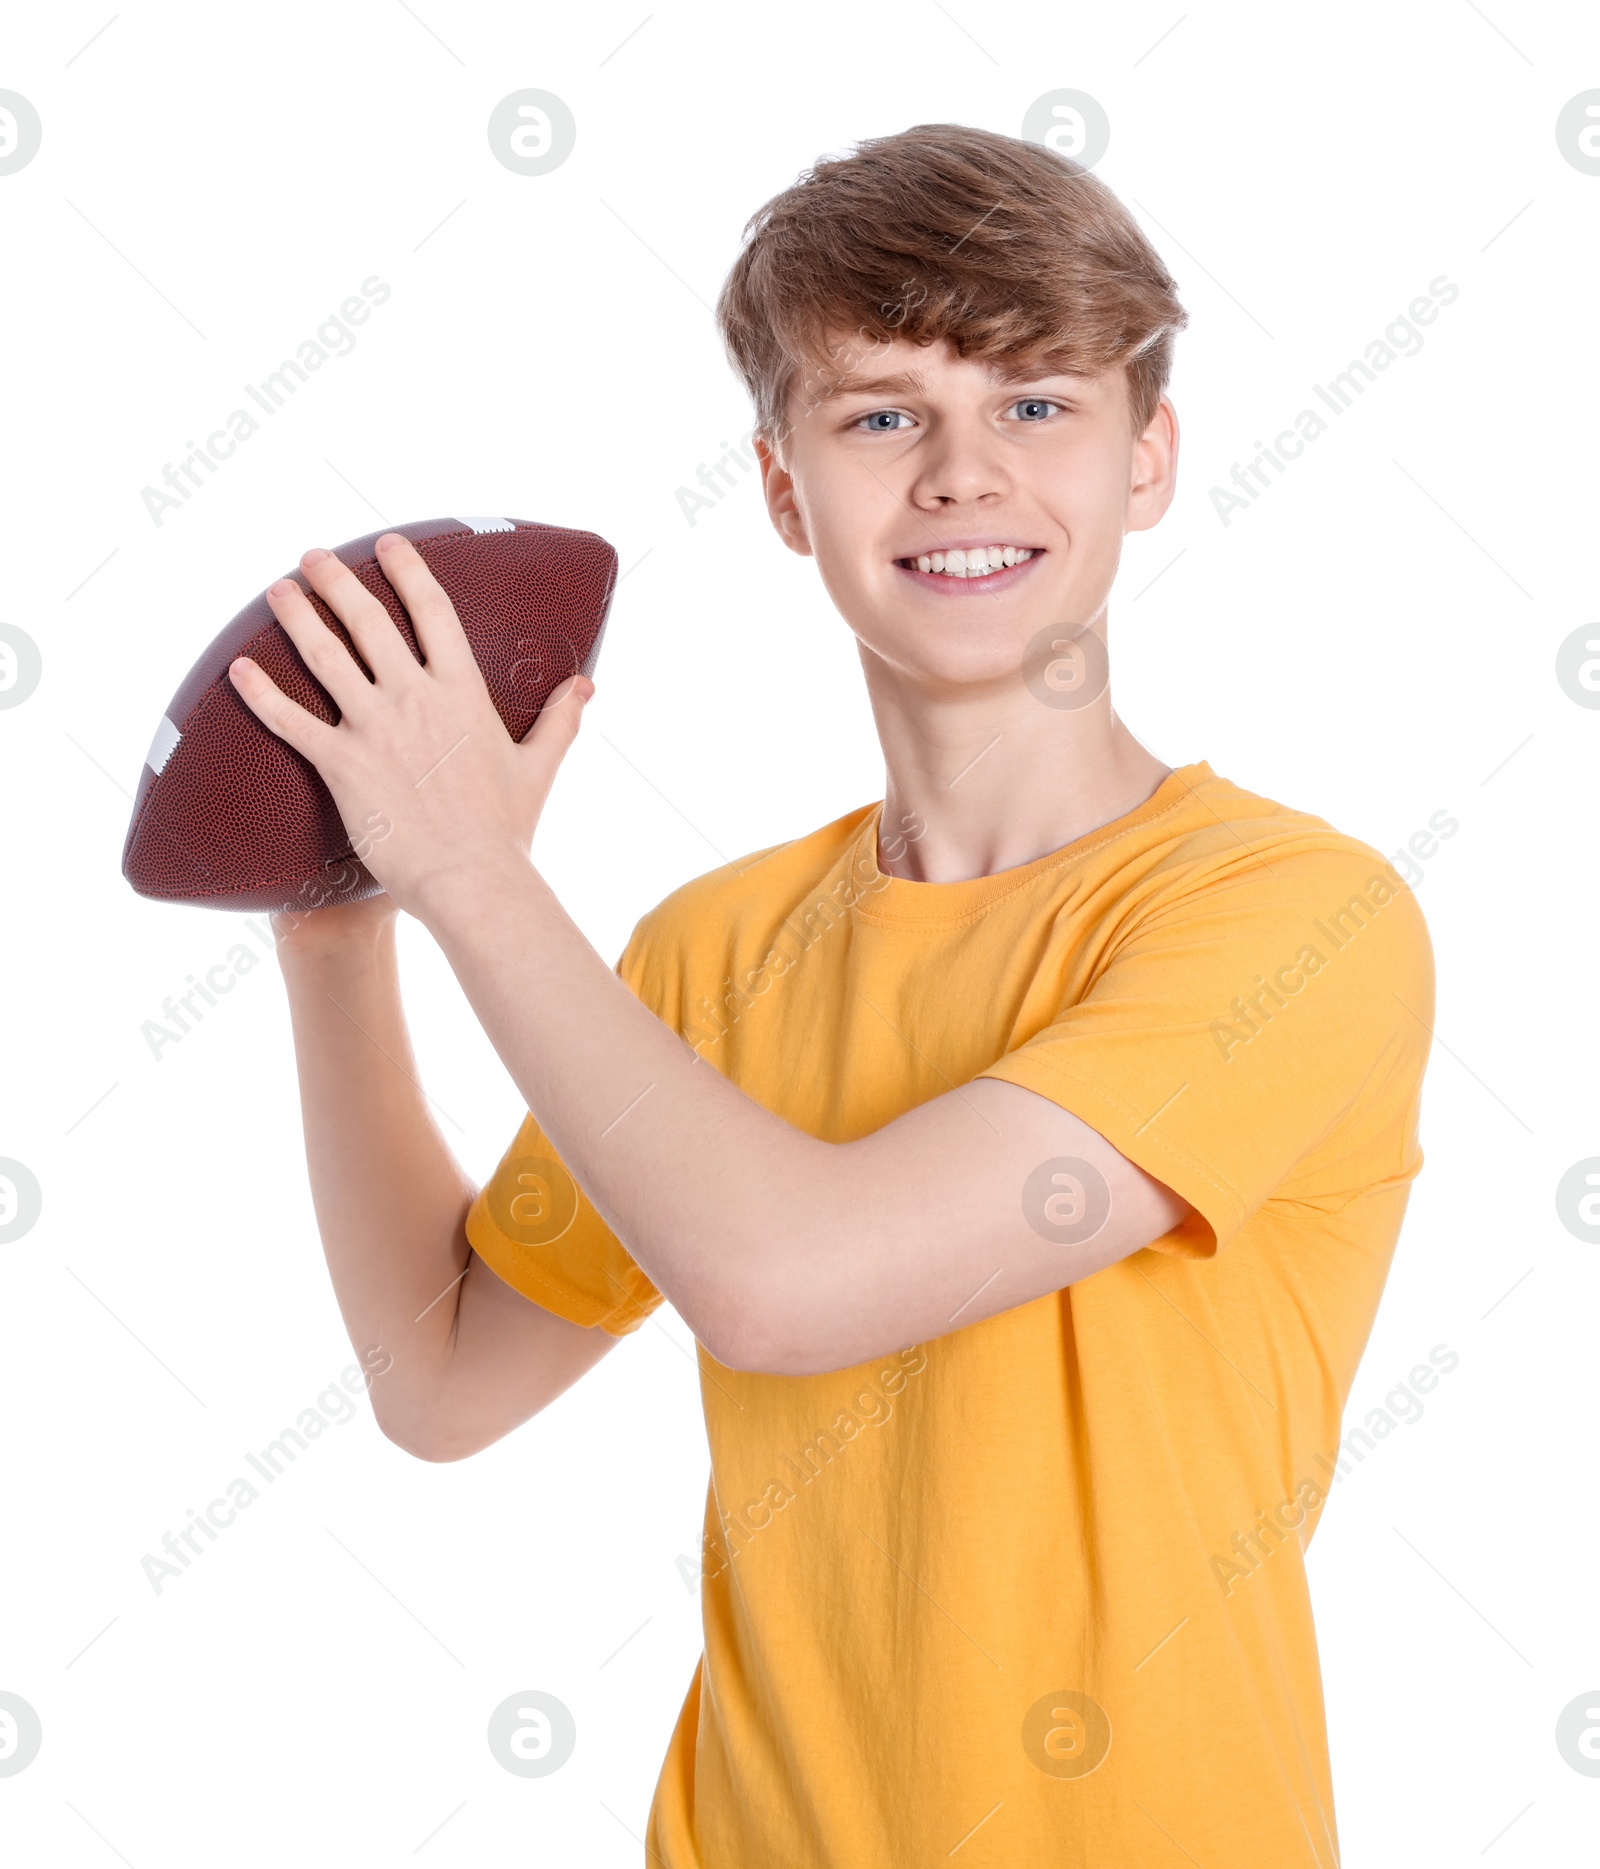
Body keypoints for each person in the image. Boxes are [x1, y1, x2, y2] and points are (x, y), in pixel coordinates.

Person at [232, 124, 1434, 1866]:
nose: (960, 473)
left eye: (1037, 403)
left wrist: (474, 871)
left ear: (1148, 457)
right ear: (786, 489)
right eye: (882, 413)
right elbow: (444, 1377)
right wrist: (340, 923)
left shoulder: (1291, 919)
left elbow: (786, 1283)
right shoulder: (717, 947)